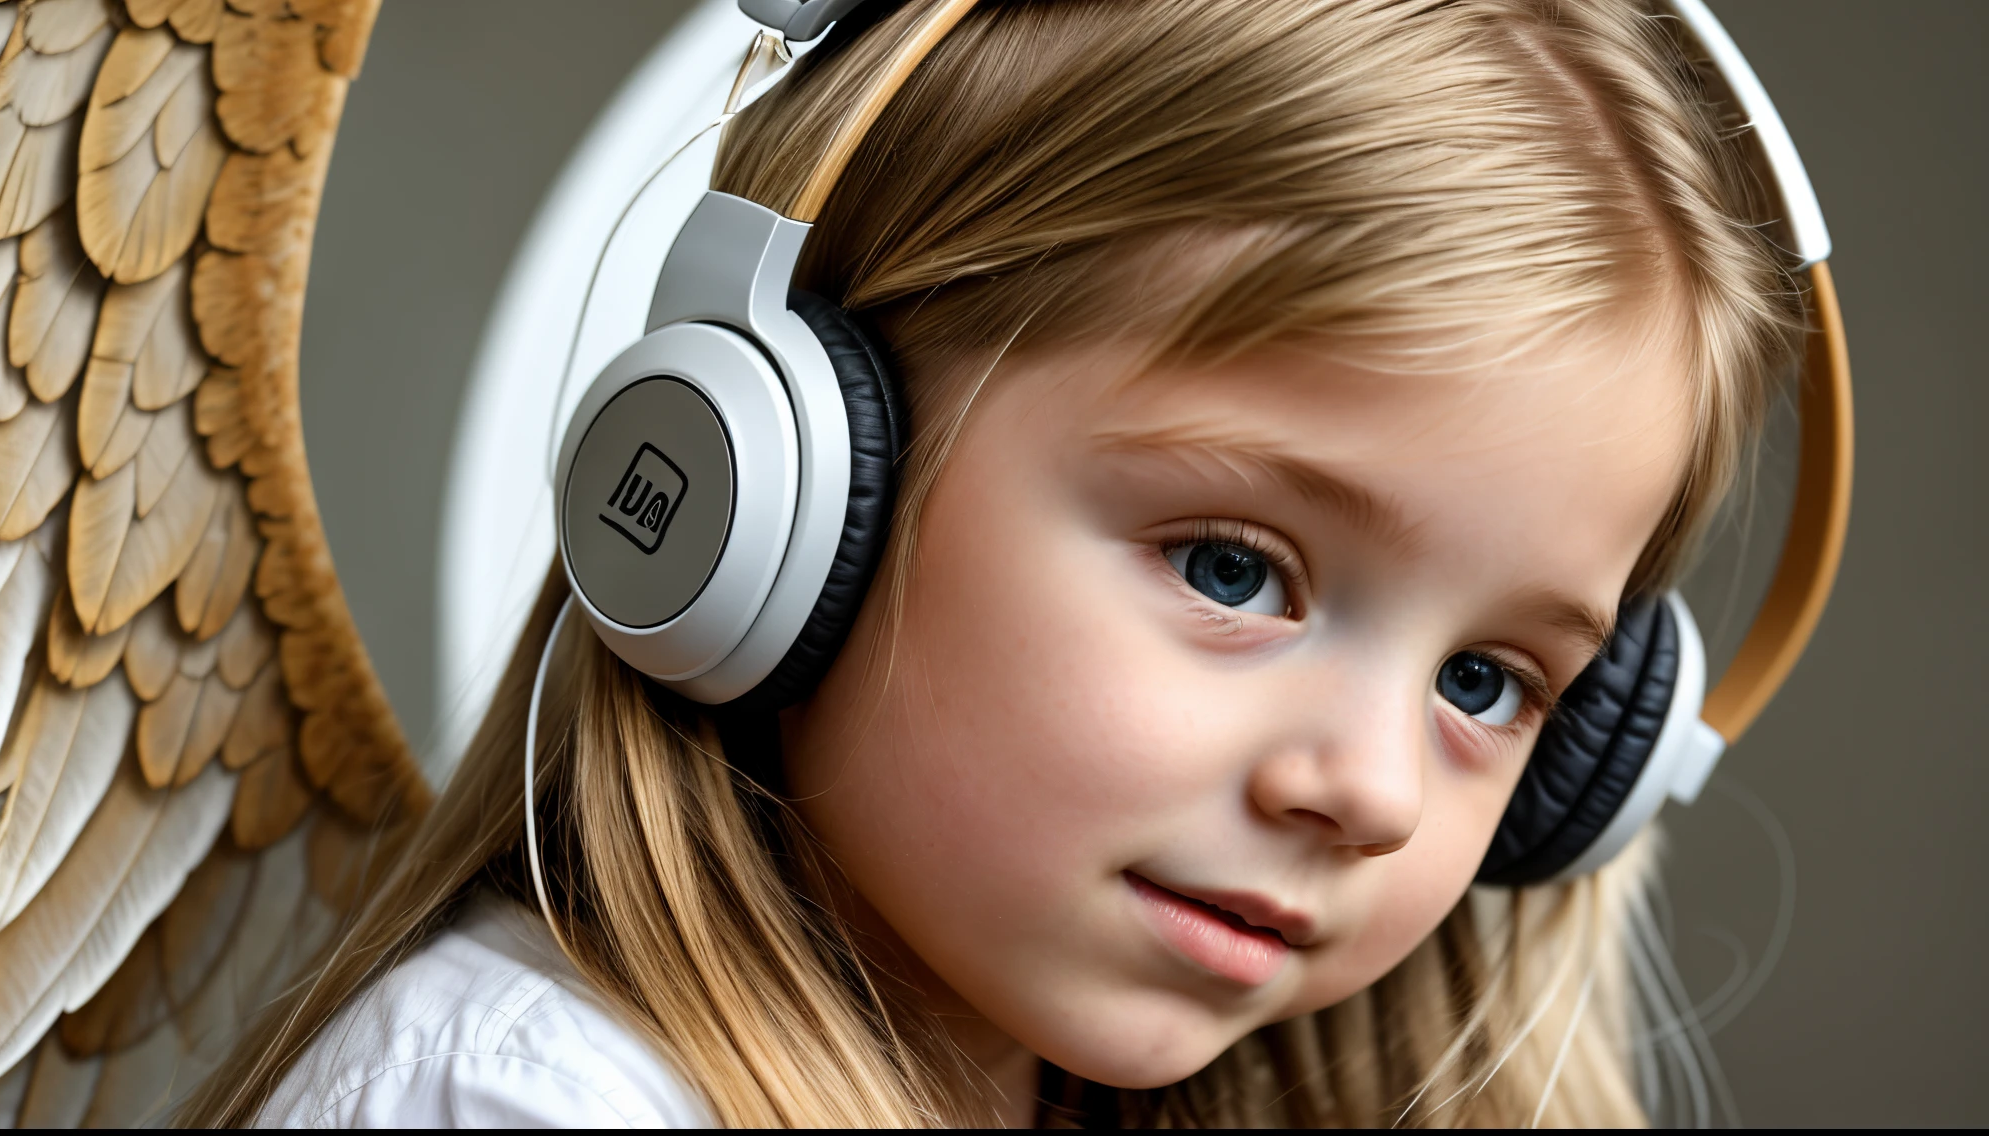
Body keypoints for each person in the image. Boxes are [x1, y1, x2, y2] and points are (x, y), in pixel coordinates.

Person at [188, 0, 1802, 1125]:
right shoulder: (514, 1100)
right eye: (1235, 572)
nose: (1374, 794)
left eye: (1486, 682)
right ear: (790, 500)